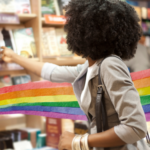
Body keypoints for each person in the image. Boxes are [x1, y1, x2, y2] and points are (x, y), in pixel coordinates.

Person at [0, 0, 149, 149]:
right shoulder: (91, 67)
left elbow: (136, 127)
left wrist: (79, 141)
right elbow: (51, 72)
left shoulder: (109, 65)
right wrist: (14, 57)